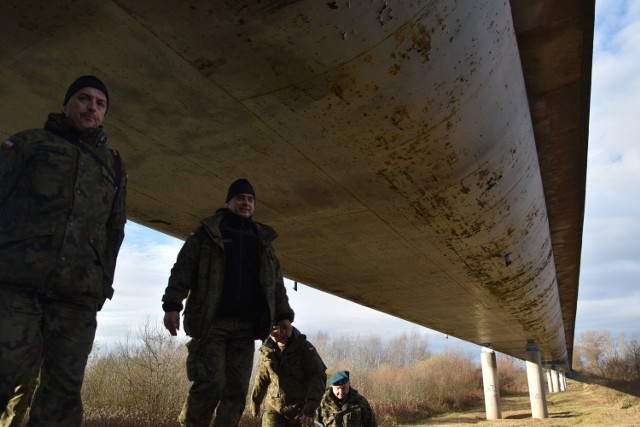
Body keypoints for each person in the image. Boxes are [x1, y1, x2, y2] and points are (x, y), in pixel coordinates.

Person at [0, 75, 127, 426]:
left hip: (76, 298)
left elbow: (114, 230)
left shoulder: (112, 166)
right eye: (84, 99)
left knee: (62, 394)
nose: (92, 107)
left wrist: (103, 284)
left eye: (100, 104)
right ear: (66, 103)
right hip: (16, 288)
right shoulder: (30, 143)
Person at [162, 178, 295, 427]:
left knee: (236, 391)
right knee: (211, 383)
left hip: (245, 328)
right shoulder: (207, 233)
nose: (246, 203)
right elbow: (183, 270)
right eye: (240, 198)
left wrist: (284, 315)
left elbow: (275, 283)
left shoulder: (262, 241)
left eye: (250, 199)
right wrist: (172, 305)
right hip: (211, 323)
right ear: (229, 201)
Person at [251, 326, 327, 426]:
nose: (271, 333)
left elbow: (317, 377)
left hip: (300, 409)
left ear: (285, 328)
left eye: (274, 329)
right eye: (270, 330)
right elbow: (262, 378)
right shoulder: (267, 349)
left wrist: (310, 407)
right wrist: (255, 402)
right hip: (274, 407)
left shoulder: (303, 347)